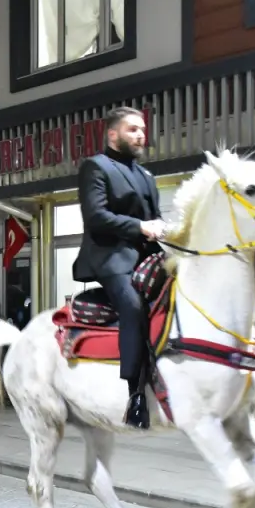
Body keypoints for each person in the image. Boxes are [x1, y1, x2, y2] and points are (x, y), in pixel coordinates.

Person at [73, 106, 164, 429]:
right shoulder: (95, 167)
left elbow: (156, 220)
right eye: (133, 129)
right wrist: (141, 227)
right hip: (111, 260)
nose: (141, 134)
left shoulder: (147, 176)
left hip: (149, 258)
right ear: (112, 135)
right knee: (134, 306)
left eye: (142, 129)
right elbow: (96, 217)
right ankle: (135, 396)